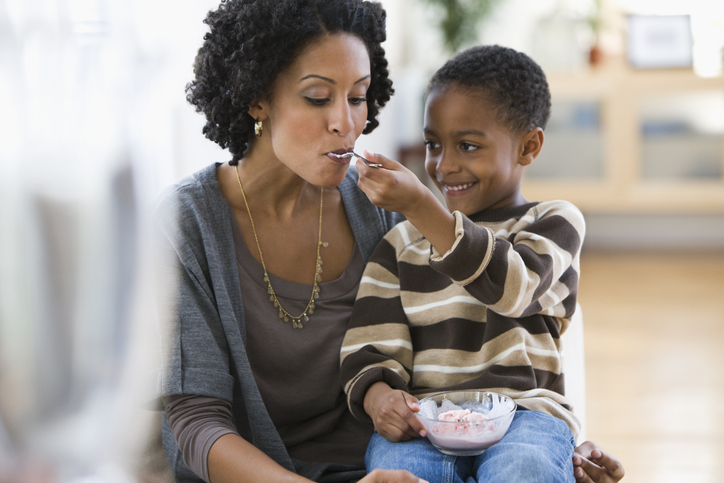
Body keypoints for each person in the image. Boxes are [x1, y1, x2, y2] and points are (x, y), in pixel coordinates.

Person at [154, 1, 422, 482]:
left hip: (385, 465)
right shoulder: (185, 224)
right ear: (257, 98)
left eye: (358, 96)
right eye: (318, 98)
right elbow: (195, 425)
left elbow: (455, 343)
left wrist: (543, 436)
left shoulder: (375, 207)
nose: (346, 122)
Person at [339, 45, 625, 483]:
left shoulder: (553, 222)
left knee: (524, 468)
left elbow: (514, 287)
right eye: (434, 144)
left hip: (525, 417)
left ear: (529, 146)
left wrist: (421, 206)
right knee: (397, 472)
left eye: (468, 146)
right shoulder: (399, 244)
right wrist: (379, 395)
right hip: (424, 421)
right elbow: (370, 345)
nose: (444, 165)